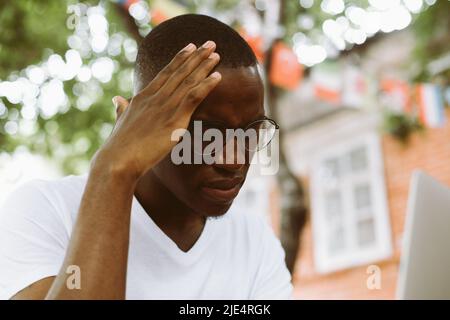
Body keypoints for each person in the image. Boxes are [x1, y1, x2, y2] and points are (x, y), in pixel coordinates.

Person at [0, 14, 292, 299]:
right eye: (207, 133)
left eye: (252, 130)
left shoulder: (254, 242)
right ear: (133, 123)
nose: (234, 161)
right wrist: (111, 169)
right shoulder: (45, 211)